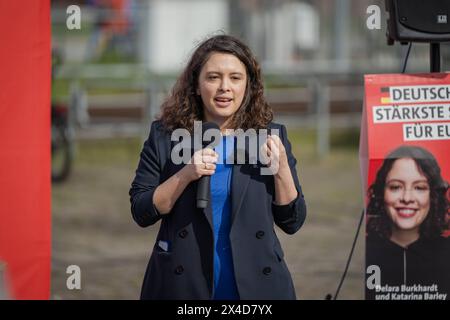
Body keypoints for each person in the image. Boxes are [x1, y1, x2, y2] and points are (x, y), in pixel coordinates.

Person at [129, 35, 307, 300]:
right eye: (213, 77)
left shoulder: (270, 137)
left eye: (235, 78)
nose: (225, 87)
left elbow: (293, 221)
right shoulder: (165, 136)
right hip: (184, 286)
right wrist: (185, 174)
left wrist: (281, 170)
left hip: (255, 287)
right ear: (197, 85)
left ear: (248, 86)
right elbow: (142, 211)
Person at [365, 145, 450, 300]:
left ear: (433, 195)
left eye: (419, 187)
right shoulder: (364, 252)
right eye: (396, 187)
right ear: (381, 192)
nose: (407, 197)